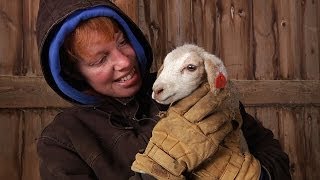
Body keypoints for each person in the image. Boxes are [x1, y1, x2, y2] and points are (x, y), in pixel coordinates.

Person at [36, 0, 291, 179]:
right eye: (100, 60)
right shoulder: (62, 140)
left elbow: (273, 154)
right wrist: (156, 172)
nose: (125, 61)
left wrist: (257, 176)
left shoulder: (191, 85)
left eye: (122, 42)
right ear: (71, 72)